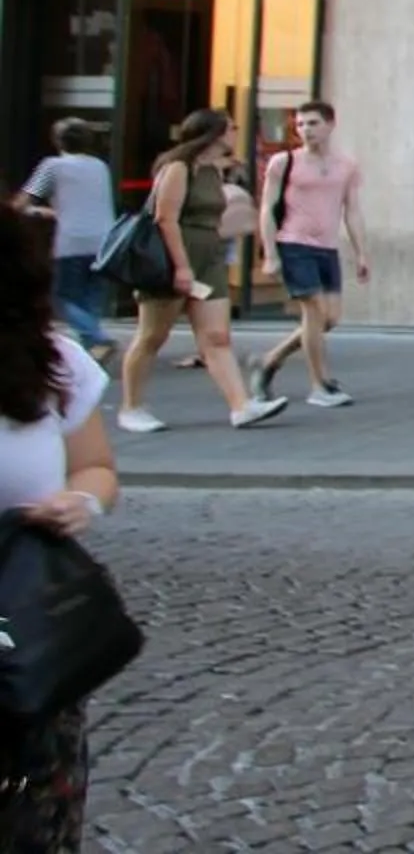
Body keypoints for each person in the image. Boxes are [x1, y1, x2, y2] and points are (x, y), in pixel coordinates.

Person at [0, 206, 123, 850]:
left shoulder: (56, 363)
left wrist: (82, 503)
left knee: (34, 812)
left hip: (24, 630)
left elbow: (99, 469)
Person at [115, 111, 285, 434]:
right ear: (214, 133)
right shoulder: (178, 168)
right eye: (231, 127)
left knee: (216, 337)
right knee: (152, 335)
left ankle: (241, 406)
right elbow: (165, 219)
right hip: (174, 256)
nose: (236, 132)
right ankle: (131, 406)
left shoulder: (212, 170)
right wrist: (181, 267)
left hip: (208, 257)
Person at [251, 100, 368, 410]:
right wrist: (271, 252)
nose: (306, 130)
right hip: (294, 243)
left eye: (313, 123)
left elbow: (352, 211)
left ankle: (268, 360)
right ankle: (320, 385)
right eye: (301, 124)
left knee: (329, 319)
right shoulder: (283, 162)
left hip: (326, 248)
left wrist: (360, 253)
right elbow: (267, 209)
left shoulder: (346, 166)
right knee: (313, 312)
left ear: (330, 125)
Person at [17, 121, 116, 363]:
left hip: (71, 241)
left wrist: (39, 212)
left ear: (57, 141)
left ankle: (96, 338)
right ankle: (92, 352)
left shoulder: (52, 166)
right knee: (91, 297)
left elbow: (21, 204)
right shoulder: (100, 166)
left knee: (61, 297)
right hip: (105, 240)